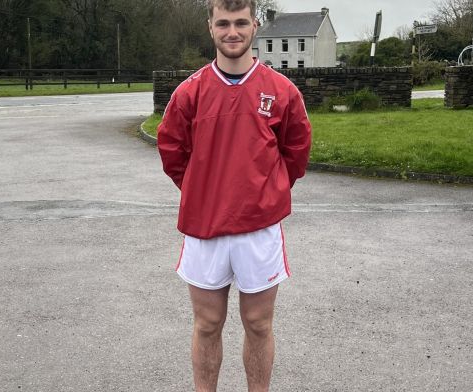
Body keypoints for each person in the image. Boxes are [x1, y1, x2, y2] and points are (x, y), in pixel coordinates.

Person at [157, 0, 312, 391]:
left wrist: (266, 191)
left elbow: (295, 152)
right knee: (207, 324)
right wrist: (203, 189)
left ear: (255, 25)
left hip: (258, 230)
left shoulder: (281, 91)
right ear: (210, 27)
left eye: (240, 22)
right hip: (204, 227)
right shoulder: (189, 93)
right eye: (223, 23)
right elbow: (173, 153)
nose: (232, 32)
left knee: (259, 324)